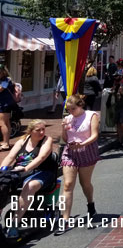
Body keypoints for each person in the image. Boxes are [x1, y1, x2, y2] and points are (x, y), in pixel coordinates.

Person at [0, 119, 55, 240]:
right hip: (20, 172)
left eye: (43, 129)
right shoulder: (22, 141)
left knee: (29, 185)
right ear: (30, 131)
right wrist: (2, 170)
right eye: (38, 130)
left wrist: (25, 169)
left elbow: (41, 158)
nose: (42, 132)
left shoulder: (47, 140)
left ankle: (14, 224)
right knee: (2, 184)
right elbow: (10, 157)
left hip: (43, 172)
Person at [58, 94, 100, 234]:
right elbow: (64, 138)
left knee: (85, 183)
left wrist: (82, 143)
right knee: (68, 184)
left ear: (80, 105)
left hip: (87, 150)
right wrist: (63, 128)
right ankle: (65, 220)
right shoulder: (68, 118)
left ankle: (90, 203)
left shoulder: (91, 115)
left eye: (73, 109)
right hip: (70, 152)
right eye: (68, 109)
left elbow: (94, 135)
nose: (71, 112)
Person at [0, 66, 17, 150]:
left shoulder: (6, 80)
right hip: (4, 103)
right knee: (6, 123)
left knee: (2, 123)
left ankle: (6, 143)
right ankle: (6, 141)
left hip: (4, 104)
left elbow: (0, 89)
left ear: (3, 72)